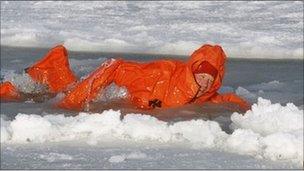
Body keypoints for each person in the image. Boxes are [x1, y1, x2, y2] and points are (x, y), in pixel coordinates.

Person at [0, 44, 250, 112]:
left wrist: (248, 108)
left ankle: (53, 65)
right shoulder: (160, 75)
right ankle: (12, 91)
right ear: (192, 69)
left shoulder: (204, 95)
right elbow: (116, 67)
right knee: (61, 96)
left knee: (64, 90)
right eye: (201, 73)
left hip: (123, 99)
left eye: (211, 77)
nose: (205, 80)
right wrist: (73, 103)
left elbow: (220, 100)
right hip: (114, 86)